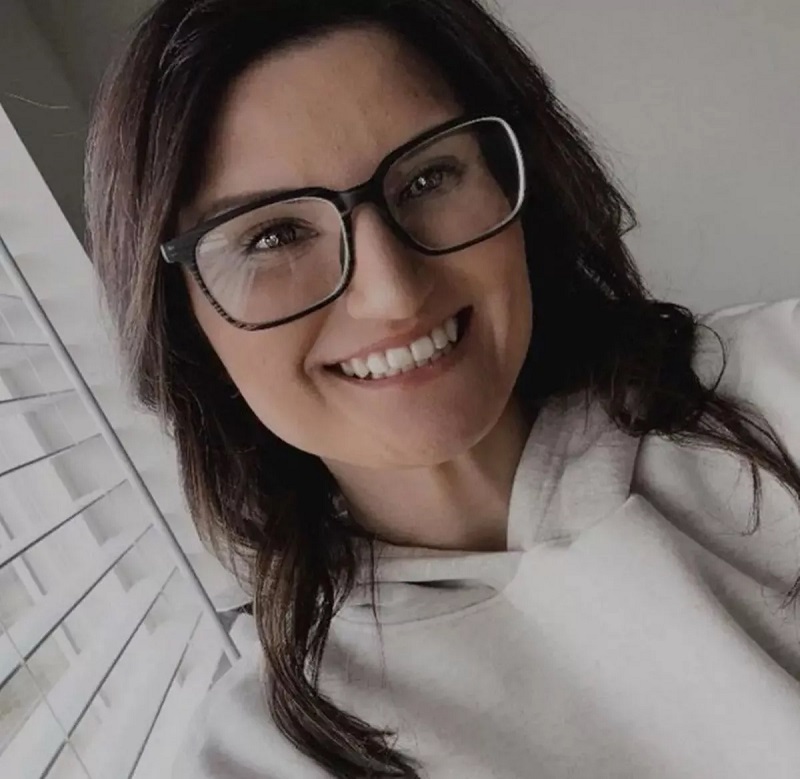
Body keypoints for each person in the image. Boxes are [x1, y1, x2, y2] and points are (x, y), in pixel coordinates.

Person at [84, 0, 800, 776]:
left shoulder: (781, 373)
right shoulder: (259, 757)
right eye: (274, 235)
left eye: (428, 177)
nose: (392, 293)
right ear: (182, 321)